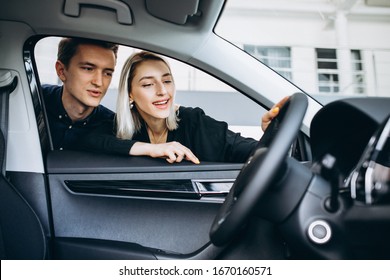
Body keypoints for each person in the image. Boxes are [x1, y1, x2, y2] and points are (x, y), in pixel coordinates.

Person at [82, 51, 288, 164]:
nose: (162, 91)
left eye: (167, 81)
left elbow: (247, 150)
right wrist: (151, 149)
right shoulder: (115, 127)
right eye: (147, 84)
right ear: (130, 93)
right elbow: (84, 140)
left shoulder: (193, 121)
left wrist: (272, 135)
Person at [42, 37, 119, 150]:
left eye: (107, 73)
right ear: (61, 71)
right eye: (88, 69)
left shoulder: (113, 127)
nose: (99, 82)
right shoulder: (34, 100)